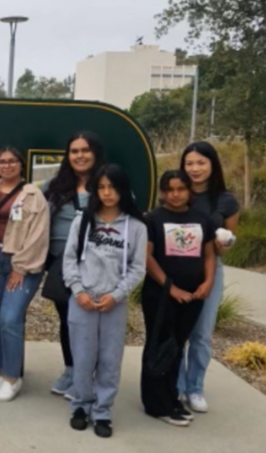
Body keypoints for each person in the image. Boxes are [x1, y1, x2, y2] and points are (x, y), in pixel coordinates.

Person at [62, 165, 147, 438]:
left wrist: (117, 295)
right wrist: (79, 291)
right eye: (102, 187)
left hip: (114, 303)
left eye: (113, 187)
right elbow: (69, 260)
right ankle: (80, 406)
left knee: (110, 359)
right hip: (83, 300)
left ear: (123, 189)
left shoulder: (135, 227)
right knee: (83, 357)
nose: (107, 193)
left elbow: (138, 268)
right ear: (95, 190)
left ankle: (102, 412)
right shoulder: (82, 221)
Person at [0, 146, 50, 402]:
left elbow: (38, 236)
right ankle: (4, 372)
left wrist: (20, 268)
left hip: (21, 263)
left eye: (12, 161)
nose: (7, 165)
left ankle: (13, 378)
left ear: (21, 164)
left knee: (10, 318)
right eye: (2, 162)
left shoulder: (34, 195)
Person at [141, 170, 216, 427]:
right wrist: (169, 288)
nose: (175, 194)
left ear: (189, 191)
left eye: (180, 189)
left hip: (193, 296)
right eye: (169, 189)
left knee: (176, 348)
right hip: (160, 295)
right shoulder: (152, 218)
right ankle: (156, 404)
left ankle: (172, 398)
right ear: (163, 192)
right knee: (159, 345)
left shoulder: (201, 219)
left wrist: (208, 282)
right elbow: (146, 257)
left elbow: (209, 255)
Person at [41, 131, 105, 398]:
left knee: (91, 320)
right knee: (67, 319)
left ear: (95, 153)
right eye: (74, 151)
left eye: (85, 150)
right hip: (59, 264)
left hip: (97, 266)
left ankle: (89, 373)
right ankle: (71, 369)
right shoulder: (54, 187)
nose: (80, 156)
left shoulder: (107, 184)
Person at [177, 142, 240, 413]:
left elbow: (227, 245)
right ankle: (177, 386)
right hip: (177, 270)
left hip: (209, 272)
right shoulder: (177, 193)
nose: (195, 169)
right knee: (177, 333)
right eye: (189, 163)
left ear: (212, 164)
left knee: (201, 334)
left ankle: (195, 388)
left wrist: (224, 243)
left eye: (201, 163)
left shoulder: (226, 200)